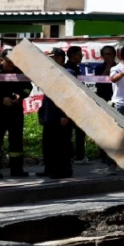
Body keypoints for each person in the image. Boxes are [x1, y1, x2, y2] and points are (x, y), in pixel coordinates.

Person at [0, 49, 31, 179]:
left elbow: (28, 87)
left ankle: (16, 169)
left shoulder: (19, 72)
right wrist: (1, 99)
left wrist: (20, 95)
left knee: (16, 140)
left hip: (15, 110)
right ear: (1, 60)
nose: (12, 64)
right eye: (9, 61)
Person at [38, 47, 74, 178]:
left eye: (52, 58)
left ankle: (63, 170)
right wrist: (42, 113)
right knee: (49, 144)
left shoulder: (67, 73)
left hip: (61, 116)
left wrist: (65, 114)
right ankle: (50, 169)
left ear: (59, 58)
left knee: (61, 145)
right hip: (50, 115)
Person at [64, 45, 88, 163]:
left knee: (77, 132)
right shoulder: (70, 70)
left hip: (76, 104)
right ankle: (77, 156)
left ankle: (77, 155)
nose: (81, 57)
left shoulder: (75, 68)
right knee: (76, 132)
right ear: (73, 56)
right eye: (80, 54)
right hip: (73, 105)